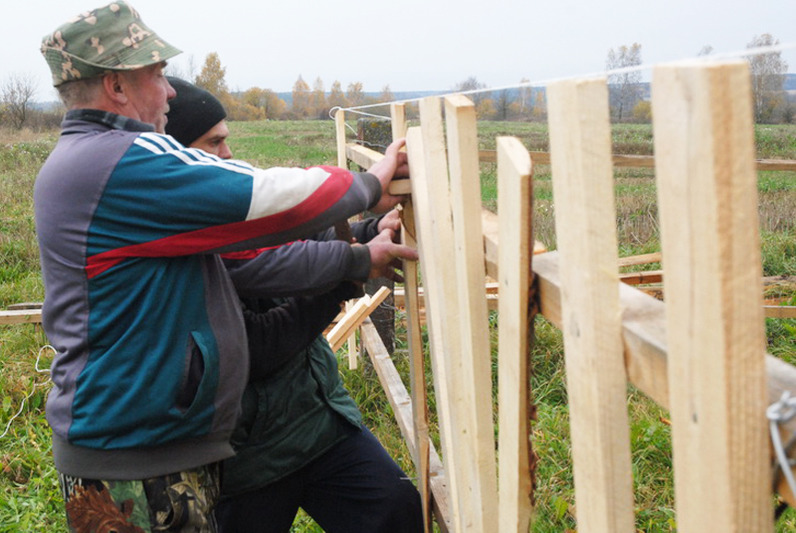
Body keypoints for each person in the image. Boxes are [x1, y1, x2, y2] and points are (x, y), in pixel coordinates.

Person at [35, 3, 413, 532]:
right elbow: (263, 198)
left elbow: (245, 256)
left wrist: (354, 254)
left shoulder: (91, 163)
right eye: (157, 73)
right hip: (136, 455)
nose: (168, 90)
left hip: (142, 446)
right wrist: (366, 186)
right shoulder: (122, 162)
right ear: (117, 86)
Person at [165, 78, 424, 533]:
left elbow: (299, 244)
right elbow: (259, 347)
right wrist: (350, 274)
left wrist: (365, 233)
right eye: (214, 143)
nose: (228, 155)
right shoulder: (178, 238)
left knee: (395, 509)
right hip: (246, 458)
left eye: (227, 139)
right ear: (181, 157)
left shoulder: (233, 194)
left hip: (319, 420)